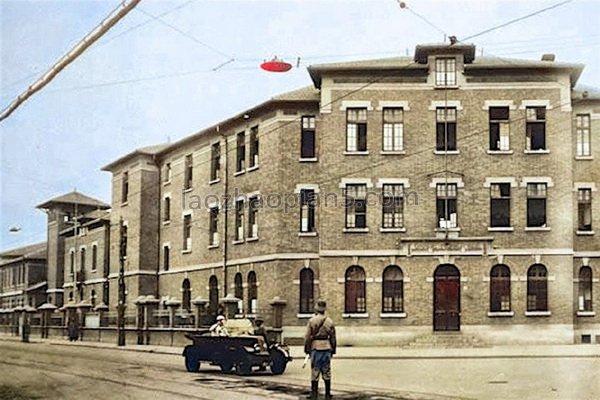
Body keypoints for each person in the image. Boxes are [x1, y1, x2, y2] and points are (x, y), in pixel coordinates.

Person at [304, 300, 336, 400]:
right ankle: (327, 393)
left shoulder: (312, 321)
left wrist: (307, 348)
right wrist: (333, 349)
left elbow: (307, 336)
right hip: (326, 347)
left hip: (315, 348)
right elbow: (333, 337)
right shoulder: (329, 321)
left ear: (316, 308)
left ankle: (314, 394)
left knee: (315, 370)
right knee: (326, 370)